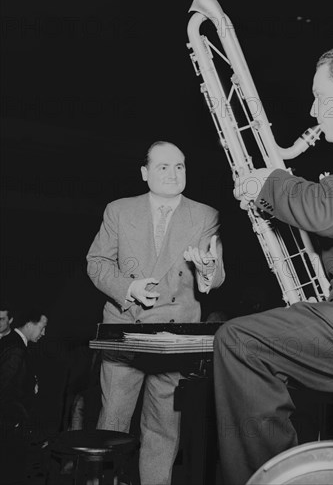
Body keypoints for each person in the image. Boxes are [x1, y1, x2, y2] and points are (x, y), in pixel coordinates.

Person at [214, 46, 333, 485]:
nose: (313, 109)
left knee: (241, 343)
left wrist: (272, 183)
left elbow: (327, 211)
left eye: (321, 96)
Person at [87, 140, 225, 485]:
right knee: (111, 425)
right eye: (163, 166)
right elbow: (97, 262)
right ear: (145, 173)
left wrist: (208, 269)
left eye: (179, 166)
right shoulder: (118, 210)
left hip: (176, 340)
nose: (173, 173)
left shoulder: (206, 215)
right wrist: (128, 289)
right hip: (124, 334)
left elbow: (217, 273)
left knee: (164, 430)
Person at [0, 307, 48, 484]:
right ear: (29, 325)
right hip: (9, 428)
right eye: (42, 327)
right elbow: (4, 390)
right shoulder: (16, 349)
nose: (44, 333)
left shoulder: (11, 342)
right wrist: (18, 420)